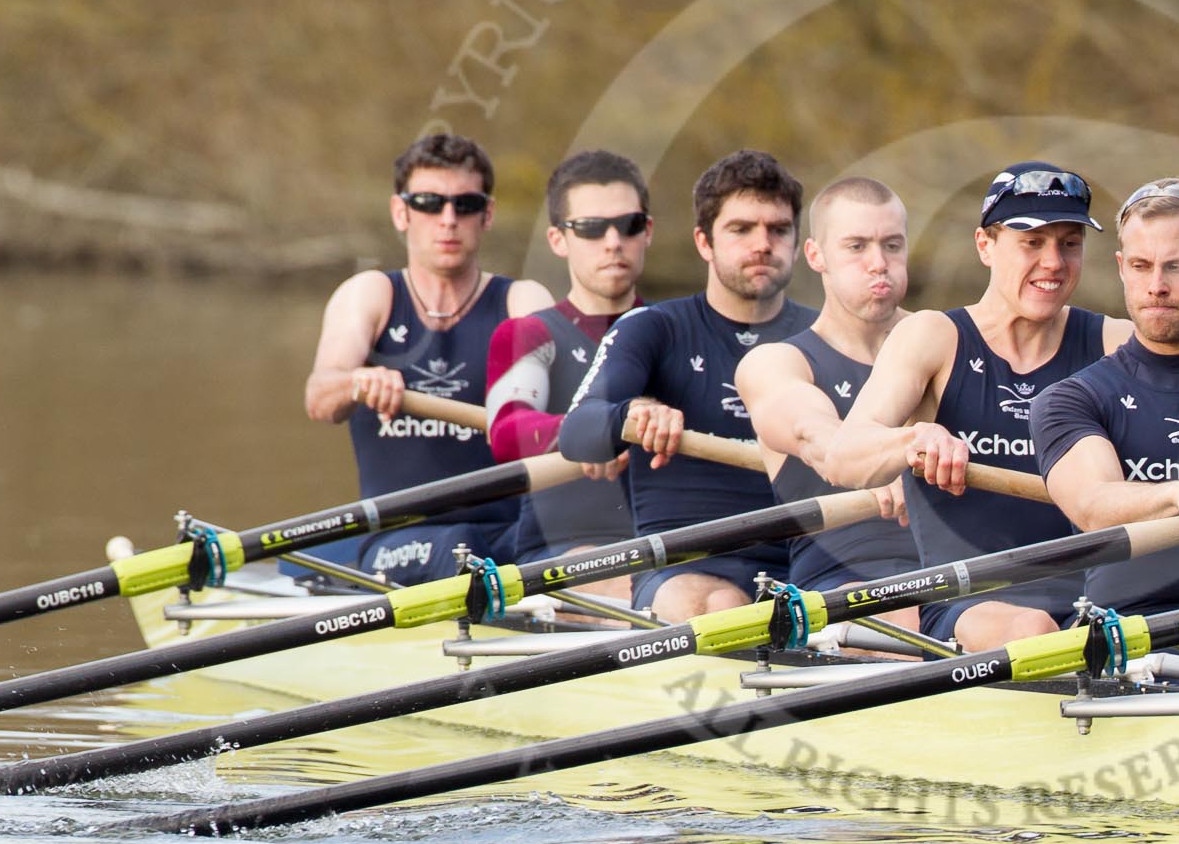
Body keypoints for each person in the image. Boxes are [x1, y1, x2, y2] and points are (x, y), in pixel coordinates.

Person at [827, 161, 1131, 651]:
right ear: (985, 246)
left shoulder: (1115, 341)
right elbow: (843, 459)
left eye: (1069, 243)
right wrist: (912, 439)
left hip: (1094, 606)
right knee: (1030, 631)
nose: (1054, 262)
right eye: (1032, 243)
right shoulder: (933, 337)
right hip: (967, 598)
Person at [558, 150, 815, 621]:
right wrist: (629, 417)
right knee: (714, 605)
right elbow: (576, 434)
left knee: (901, 623)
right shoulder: (653, 328)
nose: (763, 244)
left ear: (797, 244)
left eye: (778, 229)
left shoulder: (826, 339)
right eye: (741, 229)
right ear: (704, 242)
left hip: (809, 569)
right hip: (683, 565)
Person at [305, 133, 551, 582]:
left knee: (578, 546)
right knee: (459, 550)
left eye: (466, 204)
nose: (449, 219)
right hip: (400, 537)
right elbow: (321, 397)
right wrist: (359, 382)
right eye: (429, 203)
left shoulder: (522, 300)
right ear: (402, 212)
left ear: (488, 214)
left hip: (511, 535)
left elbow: (575, 398)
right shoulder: (372, 294)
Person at [1029, 179, 1179, 623]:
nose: (1156, 286)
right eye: (1140, 266)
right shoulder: (1071, 399)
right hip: (1131, 635)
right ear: (1121, 268)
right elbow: (1095, 505)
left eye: (1177, 267)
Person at [733, 177, 919, 619]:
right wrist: (874, 456)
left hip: (962, 576)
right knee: (910, 617)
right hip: (840, 586)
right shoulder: (776, 364)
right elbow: (818, 437)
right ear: (816, 256)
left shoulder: (951, 344)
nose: (879, 263)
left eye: (892, 245)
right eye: (856, 247)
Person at [484, 150, 650, 593]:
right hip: (563, 551)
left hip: (671, 549)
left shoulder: (678, 331)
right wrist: (596, 434)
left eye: (628, 225)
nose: (613, 241)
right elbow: (508, 432)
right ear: (558, 240)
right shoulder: (531, 334)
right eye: (592, 229)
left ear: (647, 232)